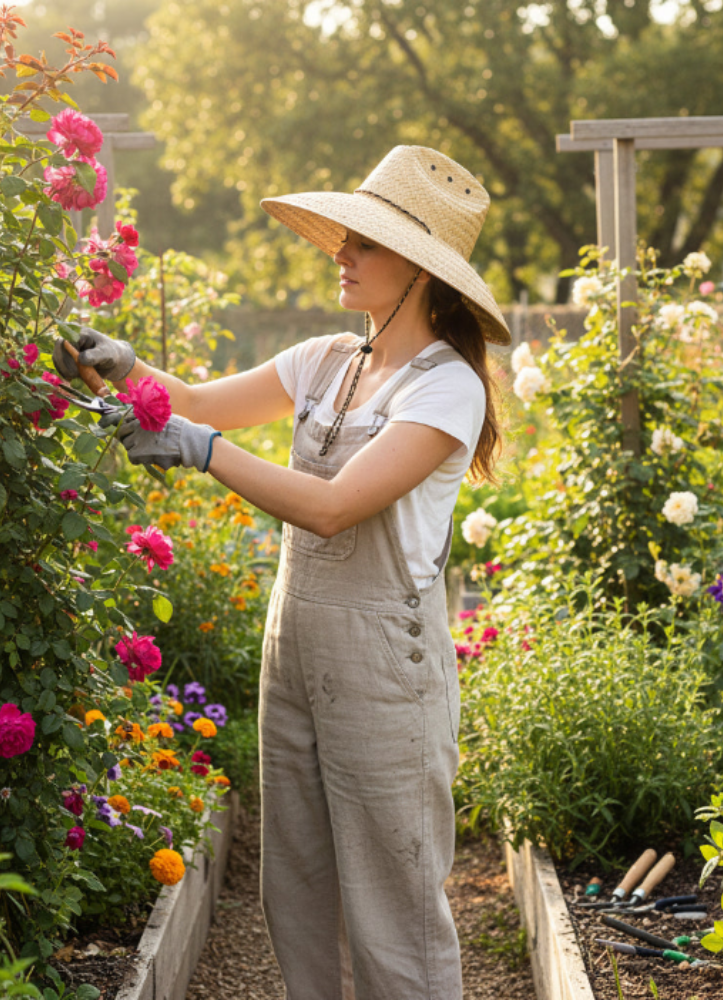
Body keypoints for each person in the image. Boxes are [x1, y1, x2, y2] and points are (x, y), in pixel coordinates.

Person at [53, 144, 510, 1000]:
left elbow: (334, 507)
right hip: (294, 644)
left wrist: (205, 454)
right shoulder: (326, 360)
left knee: (393, 900)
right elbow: (195, 402)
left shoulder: (446, 389)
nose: (340, 251)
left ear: (418, 267)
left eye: (363, 243)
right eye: (345, 236)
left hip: (383, 664)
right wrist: (121, 365)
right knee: (298, 888)